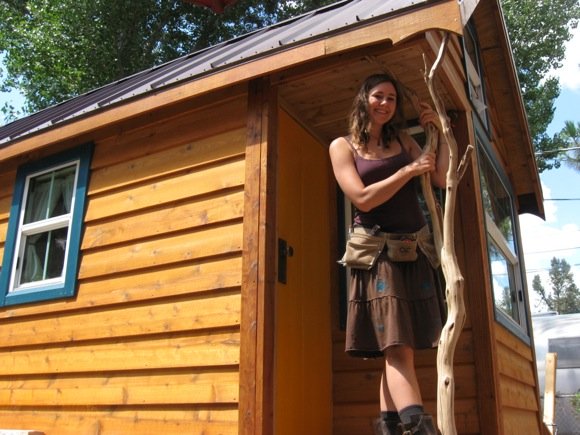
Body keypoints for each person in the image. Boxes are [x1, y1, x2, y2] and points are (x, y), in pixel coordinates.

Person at [329, 73, 449, 435]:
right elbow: (362, 198)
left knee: (397, 347)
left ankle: (391, 429)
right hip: (376, 253)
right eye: (378, 96)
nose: (385, 103)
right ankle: (421, 429)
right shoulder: (342, 146)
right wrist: (408, 170)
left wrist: (437, 134)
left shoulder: (402, 140)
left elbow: (440, 177)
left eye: (392, 98)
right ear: (363, 99)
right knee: (397, 348)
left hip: (411, 250)